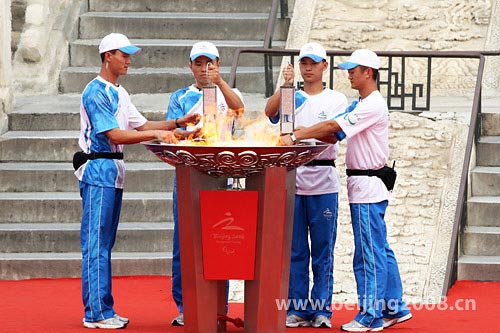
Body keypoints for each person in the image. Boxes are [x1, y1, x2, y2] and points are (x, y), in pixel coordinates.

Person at [280, 49, 412, 332]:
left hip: (367, 186)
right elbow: (331, 133)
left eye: (355, 69)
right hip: (363, 184)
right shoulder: (358, 104)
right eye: (349, 69)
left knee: (368, 253)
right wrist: (304, 132)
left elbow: (330, 125)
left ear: (369, 72)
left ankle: (371, 315)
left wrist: (294, 135)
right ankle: (394, 307)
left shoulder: (371, 105)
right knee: (380, 249)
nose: (349, 73)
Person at [75, 32, 200, 330]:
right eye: (124, 55)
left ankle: (104, 308)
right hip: (97, 171)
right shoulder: (95, 92)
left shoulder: (119, 92)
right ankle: (95, 313)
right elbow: (115, 135)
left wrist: (176, 124)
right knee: (95, 245)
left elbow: (142, 125)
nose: (129, 60)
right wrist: (157, 135)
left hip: (113, 173)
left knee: (104, 244)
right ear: (109, 57)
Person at [265, 42, 348, 328]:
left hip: (323, 181)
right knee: (296, 249)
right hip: (294, 180)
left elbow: (333, 134)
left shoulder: (336, 99)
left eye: (313, 63)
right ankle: (297, 307)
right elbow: (270, 113)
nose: (308, 68)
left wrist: (300, 136)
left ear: (325, 65)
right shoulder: (293, 97)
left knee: (323, 249)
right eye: (304, 63)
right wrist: (284, 87)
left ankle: (322, 309)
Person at [166, 41, 245, 326]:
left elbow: (240, 111)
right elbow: (171, 133)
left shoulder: (228, 92)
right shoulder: (180, 97)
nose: (204, 69)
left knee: (220, 242)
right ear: (190, 66)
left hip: (220, 176)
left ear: (218, 64)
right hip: (189, 174)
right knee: (185, 241)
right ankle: (186, 306)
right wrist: (192, 135)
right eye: (198, 64)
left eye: (209, 63)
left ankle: (218, 306)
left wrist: (219, 82)